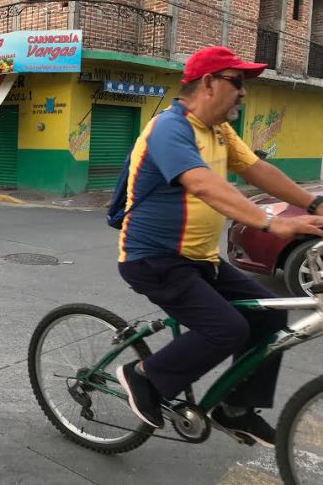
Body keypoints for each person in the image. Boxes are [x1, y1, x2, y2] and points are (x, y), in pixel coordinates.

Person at [115, 46, 323, 448]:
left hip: (200, 261)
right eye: (237, 82)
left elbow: (257, 169)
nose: (243, 93)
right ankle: (143, 376)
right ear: (208, 83)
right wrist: (270, 222)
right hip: (154, 260)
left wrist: (312, 203)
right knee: (226, 328)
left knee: (268, 319)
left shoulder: (219, 131)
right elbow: (202, 183)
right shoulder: (169, 128)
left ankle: (237, 408)